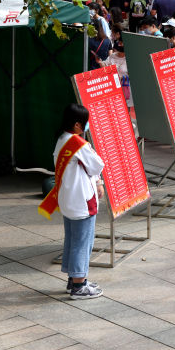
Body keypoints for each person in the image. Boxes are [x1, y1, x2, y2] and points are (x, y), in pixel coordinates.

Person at [50, 104, 105, 299]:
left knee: (72, 241)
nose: (87, 125)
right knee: (83, 243)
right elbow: (97, 164)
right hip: (82, 201)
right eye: (84, 122)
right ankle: (79, 286)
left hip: (68, 200)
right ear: (76, 125)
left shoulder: (61, 139)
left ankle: (73, 280)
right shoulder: (78, 144)